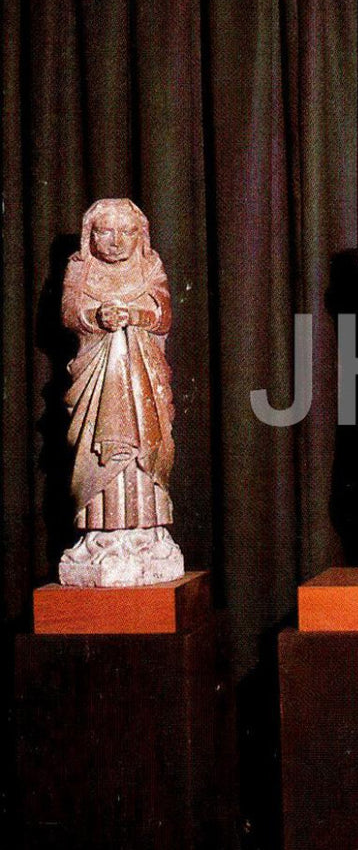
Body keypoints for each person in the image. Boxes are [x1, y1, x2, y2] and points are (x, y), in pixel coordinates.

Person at [60, 197, 181, 581]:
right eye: (105, 232)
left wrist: (135, 315)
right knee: (98, 453)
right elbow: (69, 312)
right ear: (90, 235)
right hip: (97, 384)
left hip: (142, 383)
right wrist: (95, 316)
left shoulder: (149, 266)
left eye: (127, 232)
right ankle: (100, 537)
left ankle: (147, 535)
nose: (116, 241)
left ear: (140, 235)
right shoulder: (80, 267)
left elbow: (163, 314)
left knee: (144, 451)